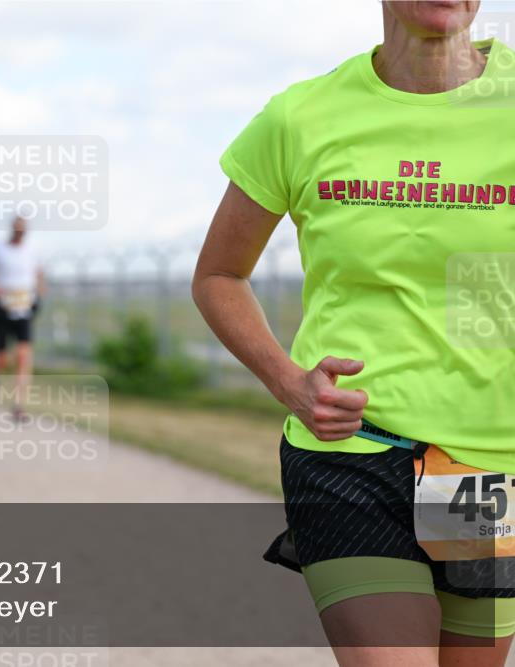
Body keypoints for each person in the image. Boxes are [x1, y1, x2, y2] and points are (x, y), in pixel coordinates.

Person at [192, 3, 514, 665]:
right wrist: (288, 381)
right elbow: (219, 274)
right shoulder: (302, 116)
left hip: (484, 469)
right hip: (348, 457)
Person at [0, 216, 45, 418]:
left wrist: (40, 288)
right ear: (12, 229)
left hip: (24, 308)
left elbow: (38, 272)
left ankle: (19, 406)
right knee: (1, 358)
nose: (21, 233)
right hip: (1, 309)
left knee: (23, 356)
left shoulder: (32, 251)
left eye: (24, 230)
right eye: (18, 229)